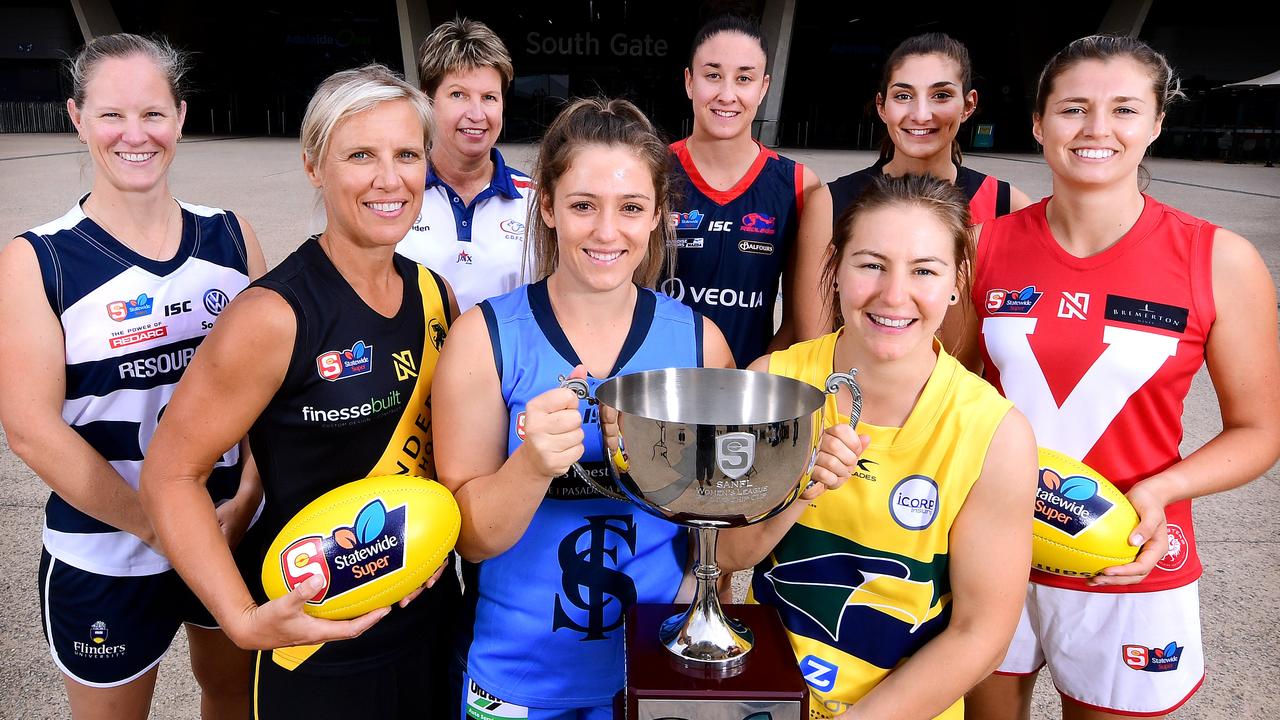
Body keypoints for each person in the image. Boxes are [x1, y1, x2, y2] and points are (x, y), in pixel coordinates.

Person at [955, 36, 1280, 719]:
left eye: (1124, 109)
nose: (1097, 129)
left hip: (1130, 558)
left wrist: (1164, 488)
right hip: (992, 546)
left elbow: (1259, 430)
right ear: (1040, 123)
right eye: (1073, 108)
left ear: (1156, 122)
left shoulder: (1219, 259)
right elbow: (948, 392)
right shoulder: (983, 246)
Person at [137, 65, 461, 719]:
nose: (388, 178)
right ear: (315, 165)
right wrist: (239, 618)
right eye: (360, 154)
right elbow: (171, 474)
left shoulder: (435, 294)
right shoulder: (273, 316)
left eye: (406, 154)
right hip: (315, 645)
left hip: (431, 619)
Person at [432, 97, 734, 719]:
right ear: (546, 205)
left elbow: (725, 542)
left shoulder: (699, 344)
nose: (605, 231)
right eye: (582, 205)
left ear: (658, 217)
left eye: (630, 208)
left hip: (657, 669)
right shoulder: (486, 338)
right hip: (516, 676)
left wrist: (800, 485)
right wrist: (532, 467)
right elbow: (469, 540)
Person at [0, 33, 266, 719]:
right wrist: (160, 523)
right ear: (77, 118)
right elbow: (31, 431)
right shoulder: (40, 260)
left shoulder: (231, 237)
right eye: (111, 115)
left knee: (232, 695)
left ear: (180, 117)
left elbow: (270, 392)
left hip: (231, 525)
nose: (134, 135)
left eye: (152, 113)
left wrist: (247, 501)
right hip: (109, 551)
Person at [718, 174, 1038, 719]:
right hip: (763, 698)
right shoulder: (771, 383)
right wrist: (796, 486)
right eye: (871, 264)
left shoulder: (995, 433)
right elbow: (724, 555)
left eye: (924, 270)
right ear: (835, 268)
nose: (894, 295)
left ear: (957, 281)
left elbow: (980, 635)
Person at [794, 33, 1032, 340]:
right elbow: (813, 344)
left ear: (968, 104)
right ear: (882, 106)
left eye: (941, 95)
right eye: (903, 96)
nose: (921, 114)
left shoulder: (1008, 206)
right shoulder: (831, 202)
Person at [666, 14, 823, 367]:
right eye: (713, 75)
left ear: (763, 87)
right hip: (659, 384)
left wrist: (755, 377)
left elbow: (802, 319)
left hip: (749, 391)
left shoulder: (798, 185)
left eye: (744, 78)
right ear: (690, 81)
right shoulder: (650, 171)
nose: (727, 94)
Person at [397, 17, 533, 313]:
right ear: (427, 99)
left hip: (505, 360)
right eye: (458, 94)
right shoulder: (393, 191)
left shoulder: (539, 200)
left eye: (489, 97)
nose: (476, 113)